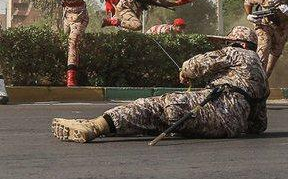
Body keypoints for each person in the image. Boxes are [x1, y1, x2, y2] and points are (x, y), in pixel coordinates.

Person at [51, 26, 269, 143]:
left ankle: (95, 126)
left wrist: (185, 72)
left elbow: (195, 65)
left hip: (215, 107)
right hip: (229, 129)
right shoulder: (261, 73)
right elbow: (259, 125)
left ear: (237, 43)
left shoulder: (234, 52)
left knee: (152, 107)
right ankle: (107, 126)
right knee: (160, 120)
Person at [47, 0, 111, 86]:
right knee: (62, 41)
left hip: (79, 16)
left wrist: (108, 1)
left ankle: (71, 76)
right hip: (65, 15)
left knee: (73, 41)